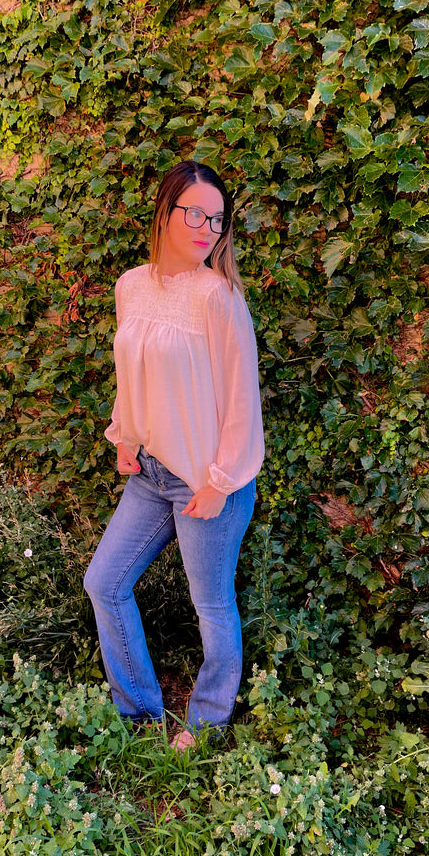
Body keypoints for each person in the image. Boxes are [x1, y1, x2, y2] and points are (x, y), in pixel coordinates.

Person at [83, 160, 265, 751]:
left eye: (217, 219)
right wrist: (125, 435)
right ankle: (139, 713)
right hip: (152, 472)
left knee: (211, 605)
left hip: (208, 478)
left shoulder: (219, 297)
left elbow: (241, 399)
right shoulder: (131, 286)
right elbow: (132, 371)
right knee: (104, 582)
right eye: (195, 214)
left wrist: (220, 480)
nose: (207, 229)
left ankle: (206, 724)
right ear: (165, 213)